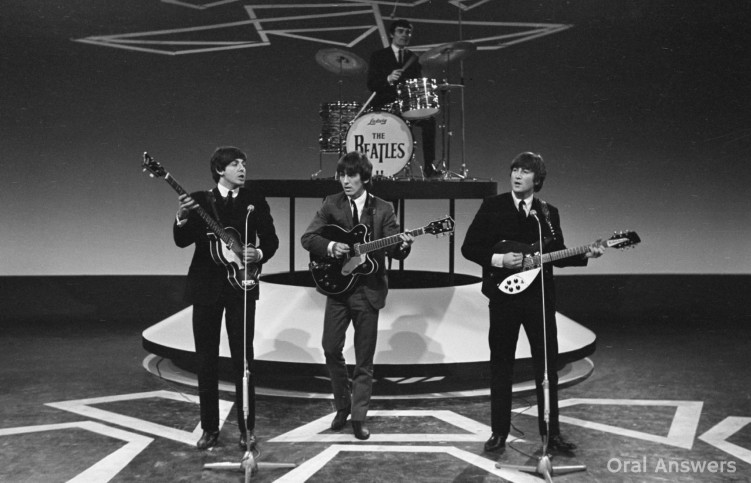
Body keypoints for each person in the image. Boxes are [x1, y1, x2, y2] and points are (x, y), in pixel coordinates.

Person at [461, 152, 604, 455]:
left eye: (525, 171)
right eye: (514, 169)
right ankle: (499, 432)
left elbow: (558, 253)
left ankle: (551, 434)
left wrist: (585, 255)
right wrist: (499, 259)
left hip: (538, 298)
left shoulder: (547, 213)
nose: (517, 175)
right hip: (503, 297)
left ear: (537, 180)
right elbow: (469, 247)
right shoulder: (492, 206)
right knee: (502, 364)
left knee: (547, 367)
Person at [301, 151, 414, 440]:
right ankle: (343, 405)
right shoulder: (332, 203)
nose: (345, 181)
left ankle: (358, 417)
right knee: (330, 348)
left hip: (368, 290)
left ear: (364, 177)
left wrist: (403, 245)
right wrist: (331, 247)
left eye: (351, 175)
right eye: (341, 175)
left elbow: (395, 250)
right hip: (338, 289)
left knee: (364, 358)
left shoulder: (383, 208)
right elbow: (308, 238)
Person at [174, 146, 279, 450]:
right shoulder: (200, 201)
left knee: (243, 360)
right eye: (235, 164)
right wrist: (182, 217)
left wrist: (259, 253)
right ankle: (209, 428)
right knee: (205, 359)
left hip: (241, 286)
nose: (242, 168)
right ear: (220, 170)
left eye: (244, 163)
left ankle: (247, 429)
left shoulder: (254, 200)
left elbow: (271, 240)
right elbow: (182, 241)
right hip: (205, 287)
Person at [366, 18, 441, 178]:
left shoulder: (413, 58)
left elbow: (416, 85)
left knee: (429, 121)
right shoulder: (378, 56)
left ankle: (429, 167)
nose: (405, 35)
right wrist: (387, 79)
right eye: (400, 31)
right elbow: (371, 84)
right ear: (392, 34)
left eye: (408, 32)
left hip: (405, 106)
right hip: (384, 106)